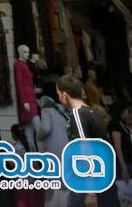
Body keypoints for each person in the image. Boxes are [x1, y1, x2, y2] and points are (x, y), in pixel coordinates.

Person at [56, 74, 119, 207]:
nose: (58, 98)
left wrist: (91, 192)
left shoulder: (78, 114)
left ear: (64, 95)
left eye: (58, 94)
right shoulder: (93, 112)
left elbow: (85, 149)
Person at [32, 95, 69, 207]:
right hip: (65, 149)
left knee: (52, 182)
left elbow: (45, 129)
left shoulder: (46, 111)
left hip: (53, 150)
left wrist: (37, 129)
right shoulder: (61, 113)